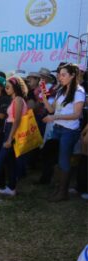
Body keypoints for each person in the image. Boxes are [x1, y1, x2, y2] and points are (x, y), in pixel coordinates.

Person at [42, 63, 85, 202]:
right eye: (59, 74)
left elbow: (76, 114)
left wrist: (54, 117)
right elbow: (51, 109)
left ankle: (62, 192)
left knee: (63, 160)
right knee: (57, 159)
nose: (60, 77)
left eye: (63, 74)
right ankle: (58, 189)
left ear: (72, 76)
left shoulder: (79, 92)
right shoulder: (61, 90)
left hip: (69, 131)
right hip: (58, 128)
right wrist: (43, 97)